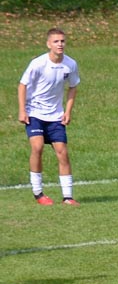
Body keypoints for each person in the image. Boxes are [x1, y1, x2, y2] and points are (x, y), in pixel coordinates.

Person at [18, 28, 81, 206]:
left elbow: (73, 86)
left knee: (62, 152)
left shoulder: (70, 64)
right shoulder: (38, 64)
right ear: (48, 44)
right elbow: (22, 85)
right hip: (35, 113)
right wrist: (22, 110)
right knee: (37, 147)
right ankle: (38, 192)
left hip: (55, 116)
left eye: (62, 41)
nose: (60, 44)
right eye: (56, 41)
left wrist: (67, 111)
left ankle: (67, 197)